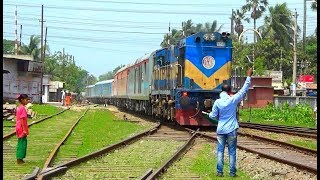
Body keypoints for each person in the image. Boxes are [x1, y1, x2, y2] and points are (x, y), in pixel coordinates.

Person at [202, 67, 253, 177]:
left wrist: (207, 115)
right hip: (231, 129)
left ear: (221, 91)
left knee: (220, 151)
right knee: (232, 152)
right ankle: (232, 172)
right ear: (229, 91)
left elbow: (213, 116)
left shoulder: (217, 102)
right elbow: (244, 90)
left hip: (220, 130)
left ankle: (219, 172)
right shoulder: (233, 99)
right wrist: (248, 76)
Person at [15, 94, 30, 164]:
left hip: (18, 127)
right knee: (22, 143)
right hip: (21, 127)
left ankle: (20, 158)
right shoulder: (22, 108)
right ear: (22, 100)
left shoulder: (19, 107)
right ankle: (19, 159)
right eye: (26, 100)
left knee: (21, 142)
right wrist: (24, 130)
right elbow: (22, 120)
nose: (27, 101)